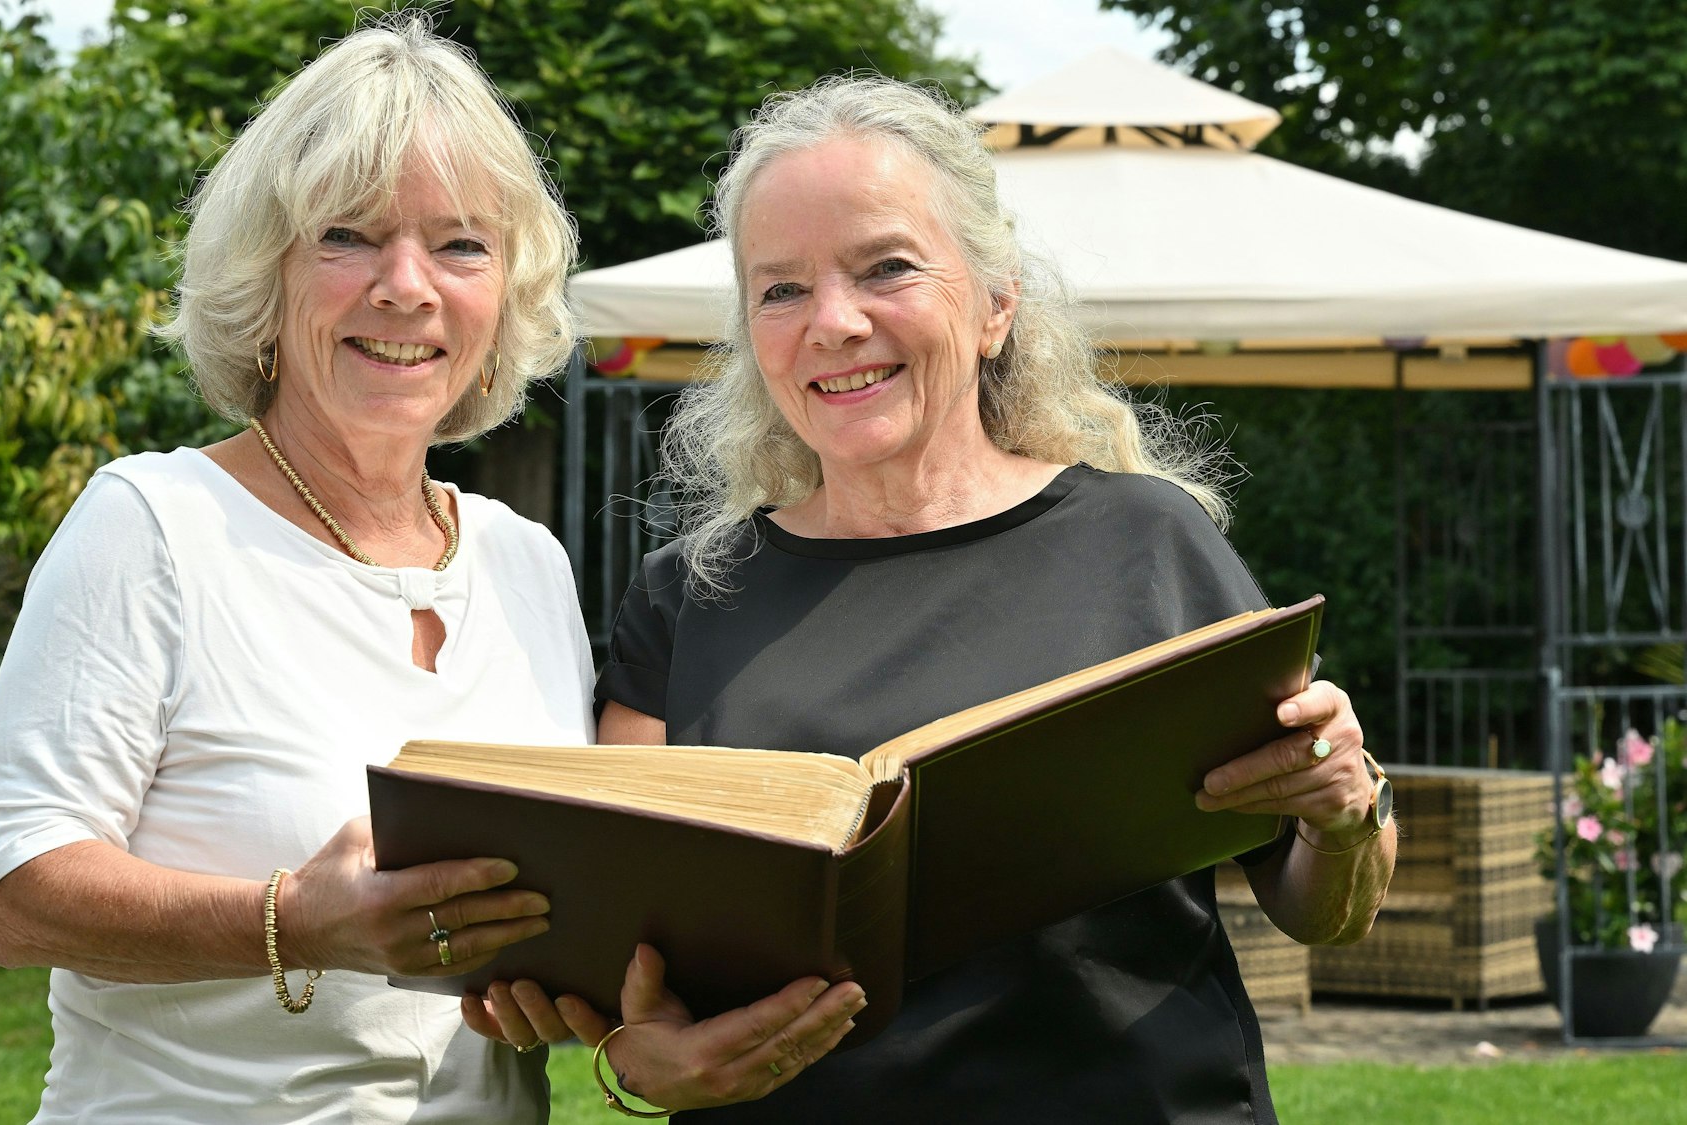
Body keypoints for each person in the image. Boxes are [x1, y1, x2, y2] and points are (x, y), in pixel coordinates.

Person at [468, 76, 1397, 1122]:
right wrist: (637, 1063)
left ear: (996, 303)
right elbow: (623, 959)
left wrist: (1343, 814)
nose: (832, 321)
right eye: (779, 290)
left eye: (886, 269)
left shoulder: (1144, 543)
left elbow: (1324, 909)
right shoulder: (687, 596)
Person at [0, 18, 600, 1123]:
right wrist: (299, 918)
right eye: (347, 237)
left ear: (506, 291)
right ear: (265, 276)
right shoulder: (154, 525)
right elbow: (18, 899)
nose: (406, 289)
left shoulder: (526, 563)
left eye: (460, 246)